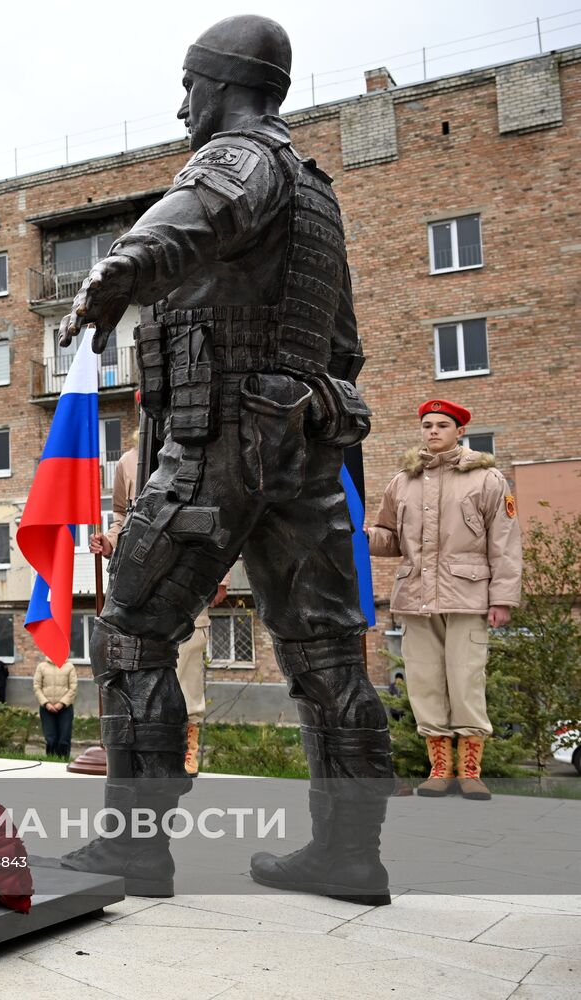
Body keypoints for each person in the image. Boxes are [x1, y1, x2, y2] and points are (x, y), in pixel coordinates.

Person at [55, 14, 393, 905]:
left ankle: (136, 850)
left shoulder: (238, 158)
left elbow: (186, 224)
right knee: (327, 651)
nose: (182, 107)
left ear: (221, 85)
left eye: (189, 87)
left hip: (220, 438)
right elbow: (345, 344)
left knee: (134, 631)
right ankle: (350, 856)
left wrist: (113, 276)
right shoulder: (316, 194)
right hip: (304, 446)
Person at [367, 399, 521, 800]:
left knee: (466, 681)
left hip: (468, 596)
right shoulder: (403, 481)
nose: (433, 431)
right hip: (415, 596)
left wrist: (502, 599)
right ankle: (439, 770)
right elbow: (390, 537)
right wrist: (362, 536)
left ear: (460, 432)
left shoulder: (486, 479)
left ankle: (470, 772)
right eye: (427, 425)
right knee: (424, 683)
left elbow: (505, 543)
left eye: (441, 425)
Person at [90, 446, 231, 776]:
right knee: (131, 658)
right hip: (137, 577)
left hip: (186, 570)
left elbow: (223, 515)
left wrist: (221, 577)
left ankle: (187, 740)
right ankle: (138, 744)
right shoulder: (128, 461)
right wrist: (109, 542)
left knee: (188, 656)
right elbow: (123, 517)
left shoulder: (199, 451)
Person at [33, 659, 78, 758]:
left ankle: (63, 761)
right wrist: (46, 703)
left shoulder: (69, 666)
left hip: (65, 708)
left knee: (64, 739)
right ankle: (51, 761)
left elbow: (73, 688)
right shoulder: (41, 666)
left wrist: (61, 703)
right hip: (46, 709)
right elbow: (37, 687)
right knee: (51, 739)